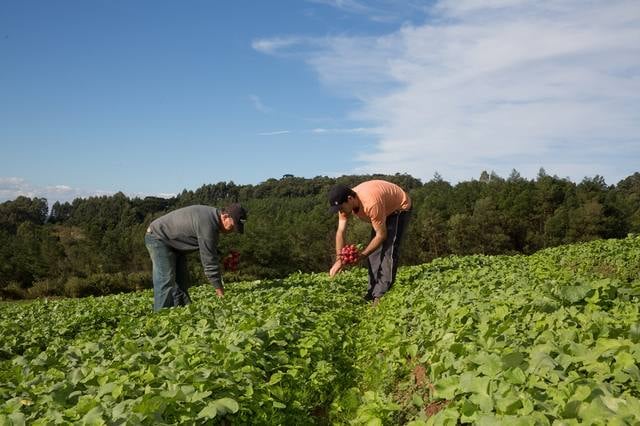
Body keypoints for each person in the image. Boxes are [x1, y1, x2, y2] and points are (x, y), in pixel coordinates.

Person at [144, 203, 247, 311]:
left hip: (174, 244)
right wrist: (220, 293)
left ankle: (182, 313)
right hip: (158, 237)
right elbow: (209, 261)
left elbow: (212, 252)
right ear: (225, 216)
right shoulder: (208, 224)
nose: (232, 231)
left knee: (182, 280)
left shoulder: (212, 220)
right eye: (232, 226)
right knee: (166, 279)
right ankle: (160, 316)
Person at [328, 180, 412, 305]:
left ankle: (381, 295)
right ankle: (372, 291)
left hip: (398, 208)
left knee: (388, 250)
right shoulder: (345, 206)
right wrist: (339, 259)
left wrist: (362, 255)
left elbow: (381, 235)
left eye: (341, 208)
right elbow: (340, 232)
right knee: (374, 253)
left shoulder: (371, 203)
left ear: (350, 199)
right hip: (382, 210)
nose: (340, 212)